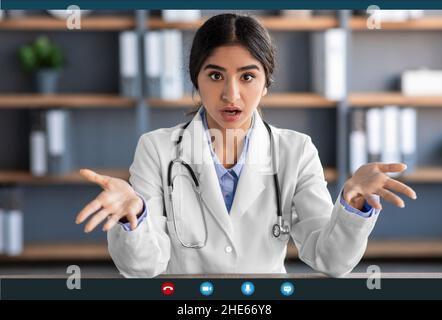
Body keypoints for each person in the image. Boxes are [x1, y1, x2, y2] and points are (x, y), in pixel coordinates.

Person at [75, 13, 417, 278]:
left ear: (266, 83)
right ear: (196, 79)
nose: (231, 94)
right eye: (215, 75)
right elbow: (143, 267)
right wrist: (134, 216)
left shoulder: (296, 151)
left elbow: (330, 259)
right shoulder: (157, 148)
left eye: (247, 76)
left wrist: (352, 206)